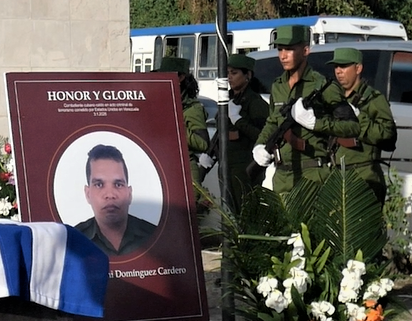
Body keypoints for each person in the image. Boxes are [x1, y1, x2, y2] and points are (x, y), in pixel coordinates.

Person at [253, 25, 340, 195]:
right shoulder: (278, 86)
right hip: (282, 176)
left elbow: (350, 127)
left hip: (311, 175)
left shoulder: (322, 86)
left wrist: (316, 123)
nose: (283, 55)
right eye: (280, 49)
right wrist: (260, 145)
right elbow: (272, 121)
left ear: (306, 50)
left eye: (289, 49)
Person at [306, 47, 396, 203]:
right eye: (336, 67)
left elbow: (387, 135)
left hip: (364, 175)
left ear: (358, 68)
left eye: (344, 66)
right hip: (337, 175)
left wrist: (358, 117)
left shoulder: (373, 99)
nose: (339, 71)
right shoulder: (332, 99)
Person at [73, 144, 157, 257]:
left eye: (118, 184)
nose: (110, 194)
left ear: (129, 193)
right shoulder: (72, 242)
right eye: (99, 185)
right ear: (88, 194)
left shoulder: (156, 236)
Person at [154, 56, 210, 207]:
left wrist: (177, 126)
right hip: (162, 165)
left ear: (181, 78)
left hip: (184, 169)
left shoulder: (192, 109)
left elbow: (203, 143)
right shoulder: (162, 103)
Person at [222, 53, 269, 199]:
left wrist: (238, 120)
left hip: (246, 165)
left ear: (247, 74)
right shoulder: (226, 100)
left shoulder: (255, 103)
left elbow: (262, 135)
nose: (230, 77)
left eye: (234, 73)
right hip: (227, 164)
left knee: (246, 211)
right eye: (228, 73)